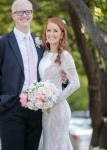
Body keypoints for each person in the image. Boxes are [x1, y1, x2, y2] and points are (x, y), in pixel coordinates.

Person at [0, 0, 68, 149]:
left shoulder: (42, 44)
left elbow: (49, 72)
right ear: (13, 15)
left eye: (28, 11)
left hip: (36, 110)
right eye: (19, 12)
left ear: (32, 14)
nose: (24, 15)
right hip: (10, 108)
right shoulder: (0, 44)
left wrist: (63, 80)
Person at [39, 17, 80, 150]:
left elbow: (75, 82)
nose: (51, 33)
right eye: (48, 30)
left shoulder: (65, 55)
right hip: (43, 109)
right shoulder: (45, 54)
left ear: (62, 34)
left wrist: (56, 99)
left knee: (57, 145)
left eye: (55, 31)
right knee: (46, 144)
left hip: (58, 108)